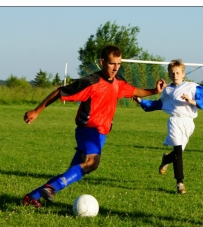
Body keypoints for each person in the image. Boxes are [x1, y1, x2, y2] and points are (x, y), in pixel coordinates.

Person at [23, 44, 165, 208]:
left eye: (118, 64)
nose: (115, 68)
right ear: (103, 62)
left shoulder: (118, 82)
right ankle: (51, 188)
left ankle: (32, 197)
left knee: (76, 171)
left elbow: (134, 91)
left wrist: (154, 91)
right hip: (89, 130)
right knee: (92, 163)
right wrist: (37, 111)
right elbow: (60, 92)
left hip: (101, 134)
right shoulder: (90, 82)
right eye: (112, 63)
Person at [133, 59, 203, 194]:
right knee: (178, 152)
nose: (175, 75)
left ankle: (166, 159)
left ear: (183, 73)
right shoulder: (167, 91)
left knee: (177, 154)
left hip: (189, 123)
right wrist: (140, 101)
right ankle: (180, 183)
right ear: (169, 74)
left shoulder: (193, 87)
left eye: (178, 73)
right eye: (172, 73)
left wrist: (191, 101)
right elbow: (157, 105)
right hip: (174, 122)